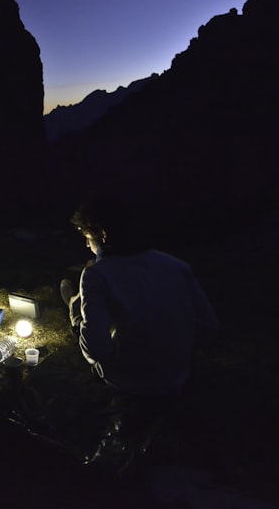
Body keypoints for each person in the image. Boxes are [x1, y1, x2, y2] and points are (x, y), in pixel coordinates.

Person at [60, 199, 220, 472]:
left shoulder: (96, 275)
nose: (87, 245)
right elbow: (210, 325)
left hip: (129, 381)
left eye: (88, 238)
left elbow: (97, 350)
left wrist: (81, 323)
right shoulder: (176, 265)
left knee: (79, 312)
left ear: (103, 236)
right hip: (177, 374)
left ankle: (74, 309)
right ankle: (76, 305)